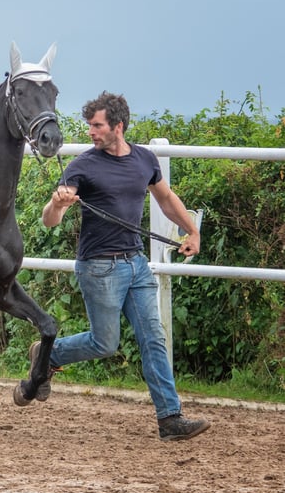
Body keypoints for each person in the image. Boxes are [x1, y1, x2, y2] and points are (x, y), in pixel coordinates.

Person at [27, 91, 210, 441]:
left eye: (96, 126)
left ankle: (170, 419)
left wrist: (192, 230)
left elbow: (166, 198)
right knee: (105, 343)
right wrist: (56, 203)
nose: (91, 132)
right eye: (89, 126)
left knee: (153, 338)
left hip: (136, 264)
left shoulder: (144, 159)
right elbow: (50, 220)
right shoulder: (83, 165)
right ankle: (48, 354)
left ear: (118, 126)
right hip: (99, 268)